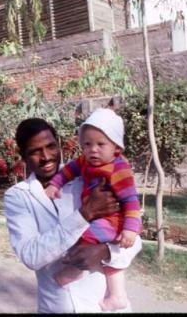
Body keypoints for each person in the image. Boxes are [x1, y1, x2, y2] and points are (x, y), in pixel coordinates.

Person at [3, 117, 142, 313]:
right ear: (23, 155)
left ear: (59, 145)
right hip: (57, 307)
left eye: (51, 146)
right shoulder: (18, 196)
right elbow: (31, 256)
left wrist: (105, 251)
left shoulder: (89, 175)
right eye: (35, 151)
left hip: (103, 306)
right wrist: (85, 214)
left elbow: (133, 236)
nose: (46, 157)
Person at [44, 108, 141, 311]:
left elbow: (131, 201)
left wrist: (131, 229)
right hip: (97, 215)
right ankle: (117, 295)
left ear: (116, 146)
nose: (93, 150)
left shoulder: (118, 169)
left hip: (112, 219)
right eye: (87, 144)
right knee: (105, 255)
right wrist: (54, 185)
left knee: (84, 236)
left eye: (100, 144)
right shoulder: (85, 162)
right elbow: (68, 171)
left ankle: (74, 272)